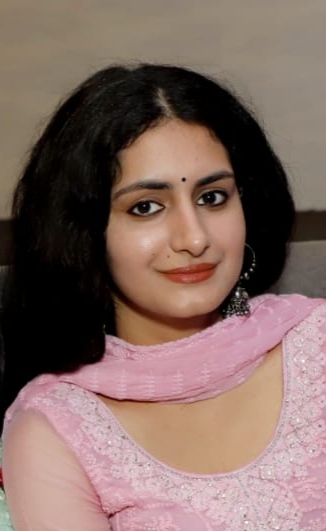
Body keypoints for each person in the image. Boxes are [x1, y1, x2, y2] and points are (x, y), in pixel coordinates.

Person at [1, 63, 325, 531]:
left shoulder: (317, 342)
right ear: (83, 233)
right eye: (145, 207)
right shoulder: (58, 428)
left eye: (212, 197)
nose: (193, 238)